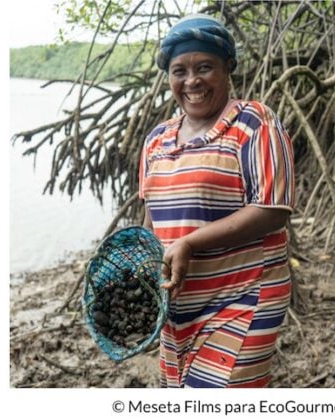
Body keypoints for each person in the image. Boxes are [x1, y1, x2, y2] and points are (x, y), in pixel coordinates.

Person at [139, 14, 294, 388]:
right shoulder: (157, 139)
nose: (192, 81)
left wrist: (191, 243)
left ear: (228, 69)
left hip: (244, 296)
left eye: (204, 67)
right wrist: (142, 268)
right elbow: (151, 220)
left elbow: (273, 210)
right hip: (178, 306)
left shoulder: (255, 122)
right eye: (180, 70)